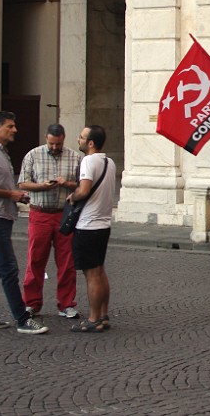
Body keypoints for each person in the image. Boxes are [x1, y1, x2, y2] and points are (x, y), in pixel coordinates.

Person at [0, 111, 49, 335]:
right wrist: (11, 194)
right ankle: (22, 319)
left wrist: (16, 195)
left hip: (2, 216)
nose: (15, 130)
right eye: (10, 126)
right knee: (8, 268)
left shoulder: (1, 152)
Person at [18, 123, 82, 318]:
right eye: (52, 144)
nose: (55, 147)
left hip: (63, 214)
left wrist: (67, 184)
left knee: (67, 261)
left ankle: (66, 304)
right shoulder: (33, 155)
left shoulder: (75, 157)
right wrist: (42, 186)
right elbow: (22, 183)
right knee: (36, 259)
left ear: (63, 139)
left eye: (59, 144)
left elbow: (82, 186)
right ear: (46, 138)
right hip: (40, 213)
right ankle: (31, 303)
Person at [68, 125, 117, 333]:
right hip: (104, 224)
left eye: (81, 137)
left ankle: (94, 318)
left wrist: (73, 195)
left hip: (88, 225)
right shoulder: (110, 162)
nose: (78, 139)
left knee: (92, 274)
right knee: (100, 270)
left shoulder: (88, 160)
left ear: (90, 143)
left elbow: (85, 189)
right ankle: (103, 315)